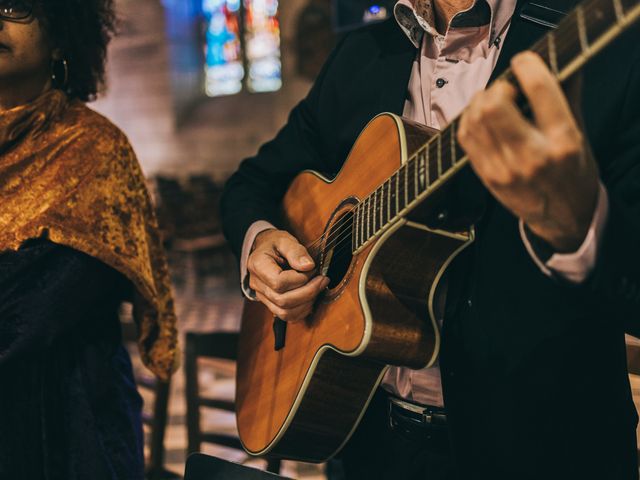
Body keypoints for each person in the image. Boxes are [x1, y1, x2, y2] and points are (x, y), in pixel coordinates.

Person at [221, 0, 640, 478]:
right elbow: (252, 186)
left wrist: (583, 227)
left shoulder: (603, 40)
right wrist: (261, 242)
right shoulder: (360, 54)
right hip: (374, 450)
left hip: (547, 452)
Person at [0, 1, 178, 478]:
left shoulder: (92, 151)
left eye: (14, 6)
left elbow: (21, 316)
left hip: (66, 431)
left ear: (62, 34)